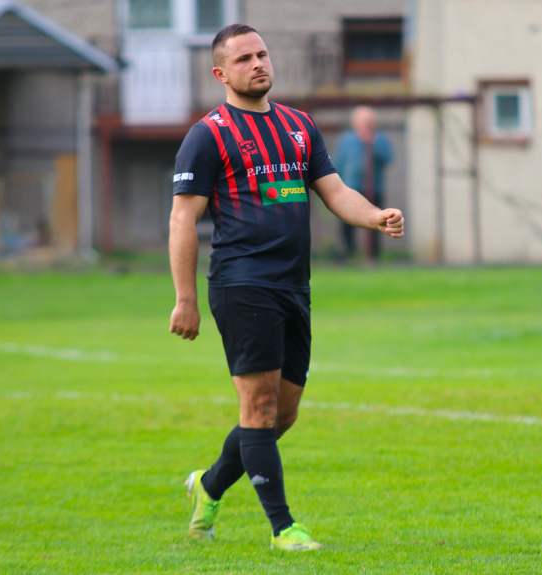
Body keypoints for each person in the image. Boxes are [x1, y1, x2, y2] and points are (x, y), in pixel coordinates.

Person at [168, 24, 404, 551]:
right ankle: (284, 529)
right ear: (220, 73)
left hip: (294, 285)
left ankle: (207, 486)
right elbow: (183, 221)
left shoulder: (298, 127)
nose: (258, 64)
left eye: (262, 54)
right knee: (258, 410)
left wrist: (375, 216)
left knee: (284, 413)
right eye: (244, 58)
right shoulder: (208, 135)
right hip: (242, 283)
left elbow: (334, 189)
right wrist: (185, 299)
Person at [335, 106, 394, 262]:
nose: (367, 124)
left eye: (370, 121)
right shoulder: (347, 140)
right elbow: (339, 163)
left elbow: (387, 159)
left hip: (374, 187)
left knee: (378, 220)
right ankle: (349, 252)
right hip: (350, 187)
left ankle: (373, 255)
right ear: (355, 123)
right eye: (363, 121)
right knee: (347, 222)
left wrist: (371, 143)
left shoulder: (380, 139)